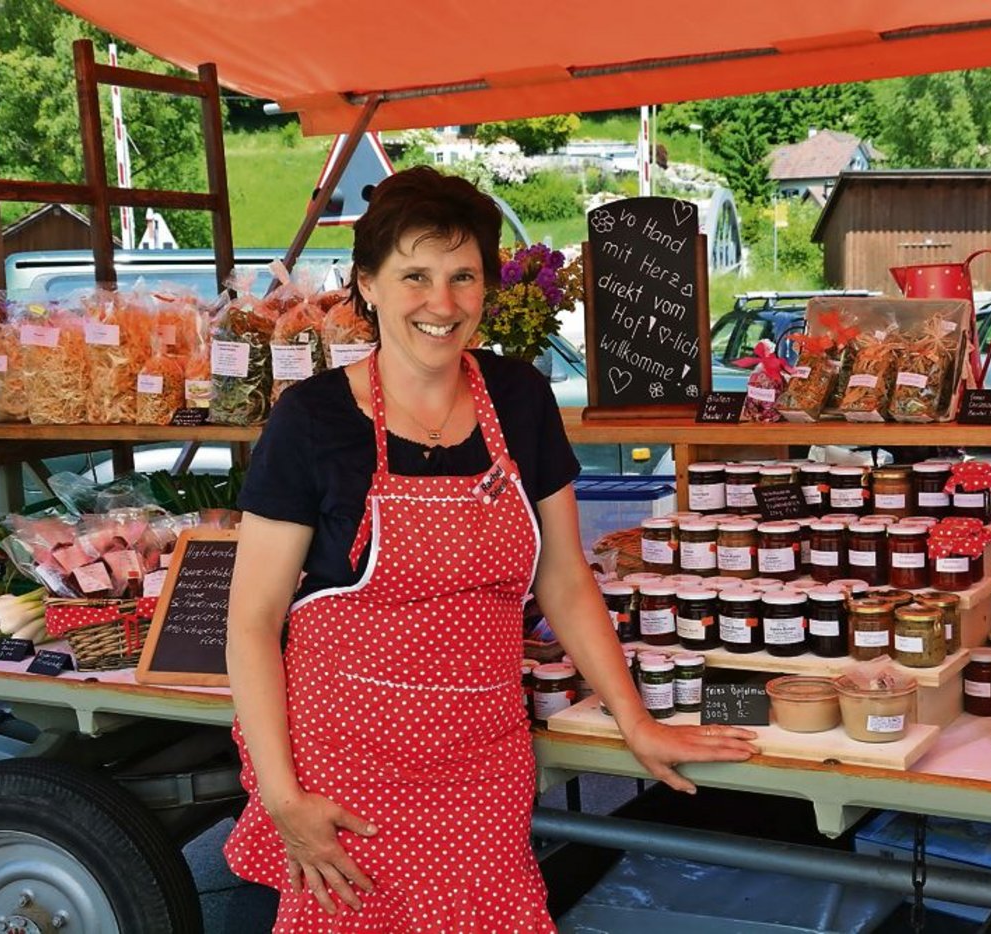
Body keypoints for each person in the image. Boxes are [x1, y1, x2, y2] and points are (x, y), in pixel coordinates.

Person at [224, 166, 757, 932]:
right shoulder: (310, 423)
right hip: (346, 771)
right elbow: (251, 622)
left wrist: (634, 720)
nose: (441, 305)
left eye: (462, 276)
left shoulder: (518, 397)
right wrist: (282, 796)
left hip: (484, 763)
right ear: (367, 286)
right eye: (414, 276)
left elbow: (566, 580)